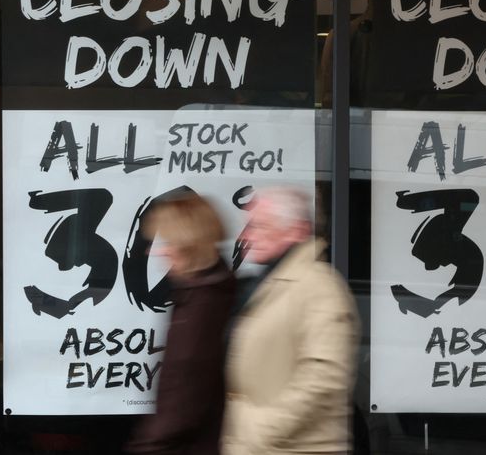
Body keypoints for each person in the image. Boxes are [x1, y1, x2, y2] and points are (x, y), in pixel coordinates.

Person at [221, 186, 360, 455]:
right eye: (250, 226)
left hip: (290, 447)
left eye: (261, 226)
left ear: (295, 230)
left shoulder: (319, 287)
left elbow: (325, 377)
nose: (249, 235)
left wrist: (265, 428)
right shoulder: (271, 282)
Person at [126, 193, 235, 455]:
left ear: (188, 244)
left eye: (167, 241)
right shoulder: (209, 290)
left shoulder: (203, 303)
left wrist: (148, 445)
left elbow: (184, 396)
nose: (158, 250)